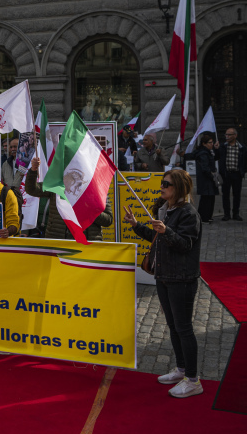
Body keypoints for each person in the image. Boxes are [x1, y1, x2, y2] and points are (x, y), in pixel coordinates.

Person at [123, 168, 203, 398]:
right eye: (161, 183)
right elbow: (157, 238)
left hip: (182, 278)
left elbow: (185, 244)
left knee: (184, 328)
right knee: (173, 325)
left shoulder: (188, 213)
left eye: (166, 184)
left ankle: (193, 380)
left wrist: (166, 230)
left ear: (178, 187)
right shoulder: (167, 209)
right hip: (164, 275)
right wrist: (137, 225)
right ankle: (181, 369)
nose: (162, 187)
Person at [25, 156, 112, 240]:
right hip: (57, 241)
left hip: (87, 244)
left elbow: (108, 220)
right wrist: (33, 170)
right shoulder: (58, 184)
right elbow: (32, 189)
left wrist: (88, 209)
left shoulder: (99, 189)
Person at [187, 134, 218, 223]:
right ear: (204, 144)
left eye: (212, 142)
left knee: (210, 198)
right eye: (210, 143)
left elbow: (216, 157)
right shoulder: (203, 153)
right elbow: (205, 168)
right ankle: (203, 217)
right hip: (206, 180)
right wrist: (212, 175)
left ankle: (208, 216)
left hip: (209, 180)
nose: (211, 144)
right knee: (206, 199)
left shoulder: (209, 152)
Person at [217, 127, 245, 221]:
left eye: (229, 135)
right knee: (225, 195)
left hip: (237, 174)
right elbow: (216, 157)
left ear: (235, 136)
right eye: (226, 134)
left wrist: (243, 170)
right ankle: (227, 214)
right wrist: (216, 148)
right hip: (226, 174)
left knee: (237, 195)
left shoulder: (242, 147)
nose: (227, 136)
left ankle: (236, 213)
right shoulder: (223, 146)